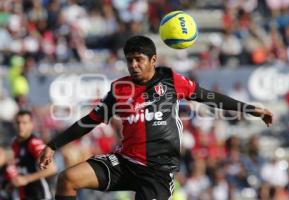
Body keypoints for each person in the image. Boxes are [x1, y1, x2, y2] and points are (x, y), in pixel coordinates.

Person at [39, 35, 273, 200]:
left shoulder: (171, 80)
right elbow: (90, 120)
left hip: (158, 171)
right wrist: (53, 144)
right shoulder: (119, 88)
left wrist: (251, 109)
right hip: (125, 162)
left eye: (138, 59)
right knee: (67, 178)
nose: (133, 65)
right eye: (129, 59)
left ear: (153, 60)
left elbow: (208, 97)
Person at [11, 110, 57, 200]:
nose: (21, 126)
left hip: (39, 194)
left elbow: (52, 169)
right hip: (22, 194)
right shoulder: (14, 143)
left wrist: (26, 179)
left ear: (31, 125)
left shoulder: (35, 143)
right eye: (18, 123)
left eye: (24, 123)